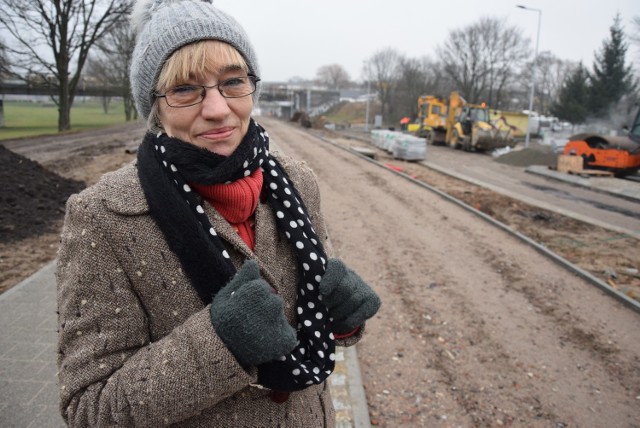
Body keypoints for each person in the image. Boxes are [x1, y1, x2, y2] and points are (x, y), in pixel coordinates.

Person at [55, 0, 381, 426]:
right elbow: (89, 408)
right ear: (155, 107)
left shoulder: (296, 182)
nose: (217, 108)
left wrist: (341, 318)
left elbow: (315, 311)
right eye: (185, 89)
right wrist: (219, 342)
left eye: (232, 82)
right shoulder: (102, 217)